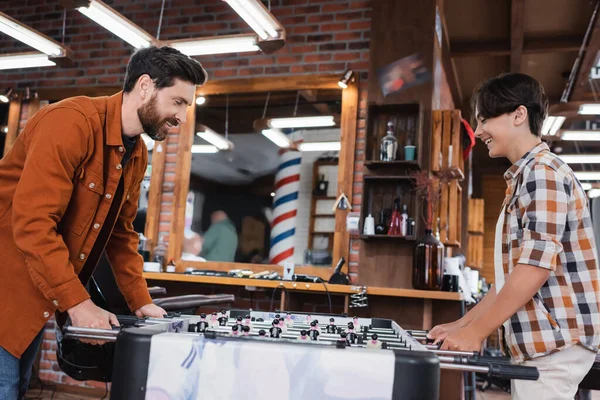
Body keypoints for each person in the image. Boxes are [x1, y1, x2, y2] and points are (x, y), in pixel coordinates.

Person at [0, 45, 207, 399]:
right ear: (145, 86)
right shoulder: (71, 123)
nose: (183, 117)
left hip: (37, 293)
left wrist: (141, 301)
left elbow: (121, 236)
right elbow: (33, 225)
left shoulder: (136, 154)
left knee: (16, 388)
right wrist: (79, 305)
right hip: (7, 284)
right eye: (178, 102)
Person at [427, 73, 600, 399]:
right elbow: (510, 278)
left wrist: (477, 332)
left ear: (519, 115)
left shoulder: (541, 173)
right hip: (542, 344)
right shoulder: (525, 177)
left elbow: (534, 268)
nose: (477, 132)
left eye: (484, 119)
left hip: (555, 344)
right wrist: (464, 325)